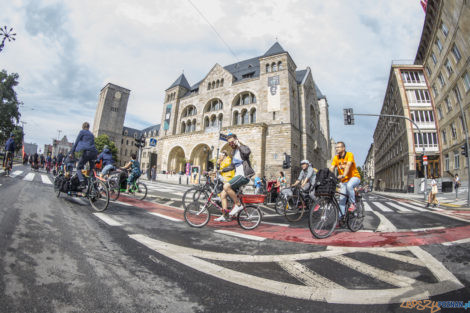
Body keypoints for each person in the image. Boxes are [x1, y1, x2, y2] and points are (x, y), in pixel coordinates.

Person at [215, 134, 254, 222]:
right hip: (237, 176)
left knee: (226, 186)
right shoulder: (233, 152)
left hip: (244, 176)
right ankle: (225, 216)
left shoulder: (243, 148)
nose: (231, 144)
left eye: (232, 142)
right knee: (222, 194)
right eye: (229, 143)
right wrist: (221, 170)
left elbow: (247, 153)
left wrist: (239, 144)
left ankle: (238, 204)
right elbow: (232, 166)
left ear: (236, 140)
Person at [329, 141, 361, 216]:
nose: (336, 149)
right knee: (341, 201)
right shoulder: (336, 158)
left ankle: (353, 204)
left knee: (350, 185)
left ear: (343, 148)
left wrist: (343, 175)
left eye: (338, 147)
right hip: (344, 181)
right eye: (336, 147)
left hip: (354, 177)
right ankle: (341, 218)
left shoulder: (349, 155)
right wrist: (328, 174)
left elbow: (348, 165)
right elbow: (332, 167)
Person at [70, 122, 98, 188]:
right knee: (92, 169)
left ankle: (82, 182)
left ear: (83, 127)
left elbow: (76, 142)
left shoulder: (82, 132)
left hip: (87, 152)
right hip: (94, 153)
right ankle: (94, 186)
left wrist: (72, 153)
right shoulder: (91, 134)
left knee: (79, 167)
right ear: (88, 127)